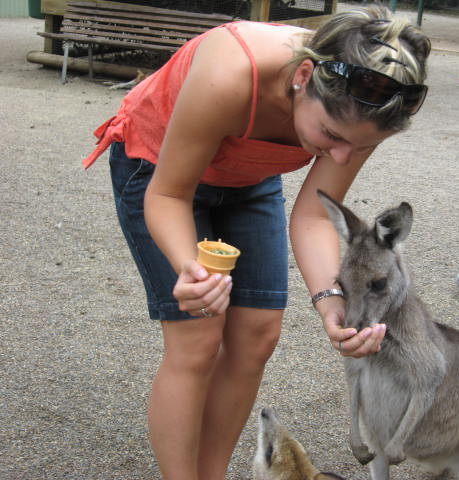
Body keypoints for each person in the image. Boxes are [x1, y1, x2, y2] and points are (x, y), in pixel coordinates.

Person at [82, 5, 430, 479]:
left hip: (250, 177)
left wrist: (333, 304)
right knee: (198, 338)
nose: (342, 155)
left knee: (258, 334)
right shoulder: (232, 73)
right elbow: (168, 193)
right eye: (330, 135)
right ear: (303, 76)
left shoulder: (369, 101)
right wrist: (190, 269)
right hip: (159, 167)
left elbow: (311, 215)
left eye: (359, 146)